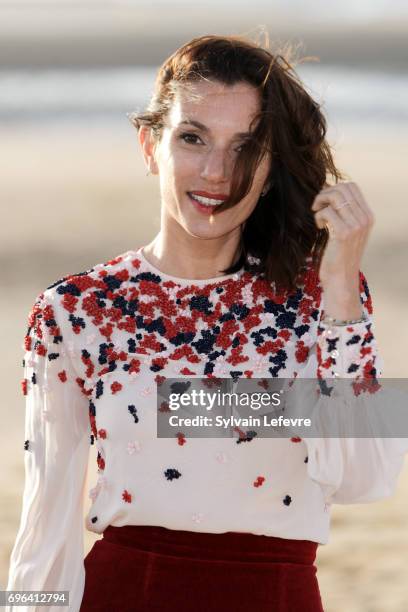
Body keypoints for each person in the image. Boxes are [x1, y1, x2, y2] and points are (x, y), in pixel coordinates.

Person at [6, 34, 407, 612]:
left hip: (278, 596)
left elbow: (366, 478)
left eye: (246, 147)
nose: (217, 172)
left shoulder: (328, 298)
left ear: (271, 168)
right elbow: (45, 522)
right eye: (193, 138)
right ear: (150, 146)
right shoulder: (76, 309)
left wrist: (341, 282)